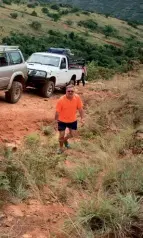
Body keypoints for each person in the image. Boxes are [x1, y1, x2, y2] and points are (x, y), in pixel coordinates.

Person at [55, 84, 84, 154]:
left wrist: (82, 119)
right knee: (61, 135)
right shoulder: (61, 100)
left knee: (72, 134)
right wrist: (56, 121)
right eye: (69, 91)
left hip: (72, 120)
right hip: (62, 120)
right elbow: (57, 112)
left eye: (72, 91)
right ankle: (61, 148)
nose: (70, 92)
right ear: (66, 91)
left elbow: (80, 109)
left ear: (74, 92)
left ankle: (65, 140)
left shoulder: (77, 98)